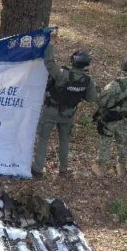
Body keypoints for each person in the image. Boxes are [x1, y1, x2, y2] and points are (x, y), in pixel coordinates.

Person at [31, 49, 97, 178]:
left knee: (43, 139)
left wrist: (49, 45)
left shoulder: (62, 74)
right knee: (64, 141)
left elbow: (49, 63)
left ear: (73, 61)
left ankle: (37, 170)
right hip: (68, 114)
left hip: (51, 110)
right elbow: (91, 98)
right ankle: (63, 170)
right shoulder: (87, 80)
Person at [91, 54, 127, 177]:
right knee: (123, 142)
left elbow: (102, 101)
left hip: (111, 119)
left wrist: (97, 90)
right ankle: (121, 168)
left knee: (106, 141)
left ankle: (101, 167)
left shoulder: (115, 84)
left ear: (123, 67)